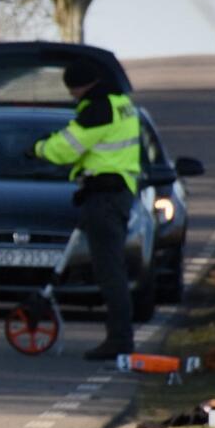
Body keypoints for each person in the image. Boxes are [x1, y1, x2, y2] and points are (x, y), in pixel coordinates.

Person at [29, 60, 141, 361]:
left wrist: (38, 149)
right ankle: (120, 336)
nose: (73, 97)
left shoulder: (98, 108)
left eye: (72, 90)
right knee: (111, 268)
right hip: (116, 191)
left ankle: (119, 339)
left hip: (105, 196)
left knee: (109, 271)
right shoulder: (121, 103)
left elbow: (65, 148)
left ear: (79, 86)